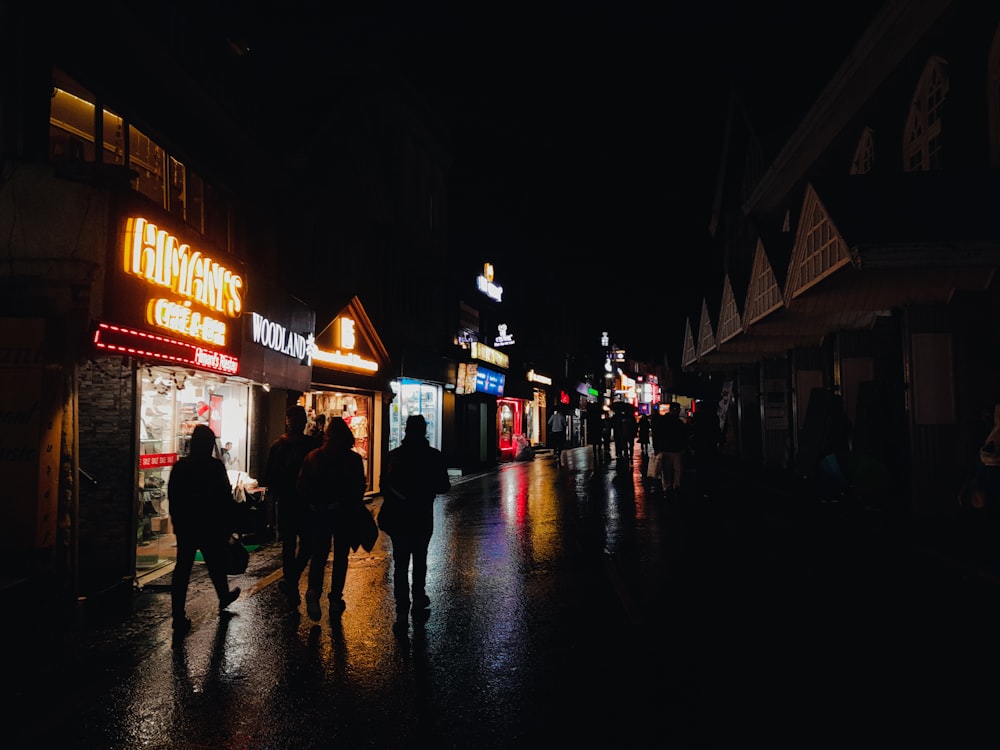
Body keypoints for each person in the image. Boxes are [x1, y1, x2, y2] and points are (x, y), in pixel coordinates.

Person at [379, 414, 451, 635]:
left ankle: (402, 612)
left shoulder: (394, 456)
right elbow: (443, 486)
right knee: (420, 559)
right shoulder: (433, 456)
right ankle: (418, 598)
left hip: (399, 516)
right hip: (422, 514)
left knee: (400, 563)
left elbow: (383, 486)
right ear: (424, 430)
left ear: (406, 431)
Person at [167, 423, 241, 637]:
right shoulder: (215, 467)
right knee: (215, 563)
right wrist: (228, 525)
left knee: (183, 570)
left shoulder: (181, 467)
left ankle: (178, 615)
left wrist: (177, 522)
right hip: (210, 525)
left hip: (187, 525)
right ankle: (223, 596)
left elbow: (174, 496)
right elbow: (225, 498)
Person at [296, 417, 367, 621]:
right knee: (341, 557)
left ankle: (313, 592)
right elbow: (358, 487)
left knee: (319, 554)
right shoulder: (352, 459)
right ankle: (335, 599)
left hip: (318, 512)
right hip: (343, 513)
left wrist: (311, 506)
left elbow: (301, 487)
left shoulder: (313, 457)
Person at [264, 405, 320, 609]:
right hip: (306, 503)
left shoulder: (278, 445)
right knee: (307, 544)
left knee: (288, 546)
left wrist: (272, 505)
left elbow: (269, 478)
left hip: (286, 502)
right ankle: (292, 581)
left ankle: (292, 584)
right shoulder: (311, 445)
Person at [658, 404, 689, 493]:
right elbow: (684, 436)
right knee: (676, 469)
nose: (678, 411)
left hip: (667, 448)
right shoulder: (678, 423)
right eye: (677, 410)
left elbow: (657, 434)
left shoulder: (663, 421)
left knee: (668, 469)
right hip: (674, 449)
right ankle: (674, 485)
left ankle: (669, 486)